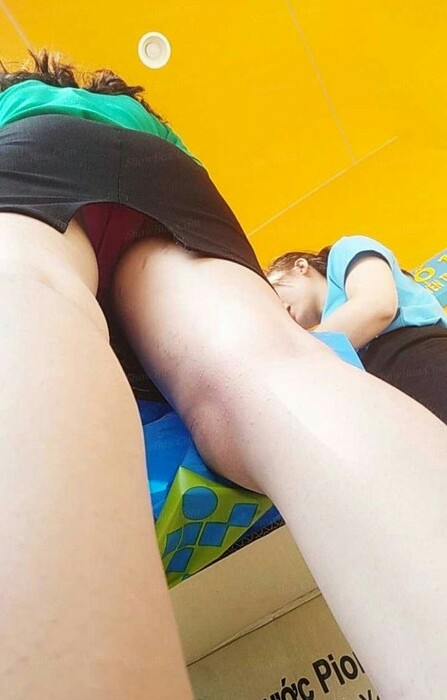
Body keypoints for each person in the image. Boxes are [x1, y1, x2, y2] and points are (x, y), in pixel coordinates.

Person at [0, 48, 447, 700]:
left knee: (31, 301)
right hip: (167, 170)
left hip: (24, 153)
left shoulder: (14, 107)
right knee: (266, 365)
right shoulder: (132, 115)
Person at [266, 234, 447, 424]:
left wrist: (297, 353)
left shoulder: (346, 250)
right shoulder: (321, 343)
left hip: (417, 353)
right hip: (390, 405)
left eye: (272, 293)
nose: (277, 308)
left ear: (300, 267)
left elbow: (377, 306)